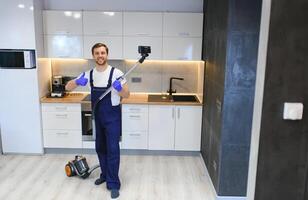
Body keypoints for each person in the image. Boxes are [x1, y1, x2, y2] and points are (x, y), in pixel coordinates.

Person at [65, 43, 129, 199]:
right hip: (98, 116)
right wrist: (76, 82)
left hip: (112, 117)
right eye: (97, 53)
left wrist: (120, 87)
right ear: (93, 55)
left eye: (103, 53)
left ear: (107, 54)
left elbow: (127, 94)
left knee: (113, 149)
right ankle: (105, 175)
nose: (100, 55)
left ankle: (113, 183)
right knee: (100, 147)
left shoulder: (116, 73)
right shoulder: (89, 74)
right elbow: (67, 87)